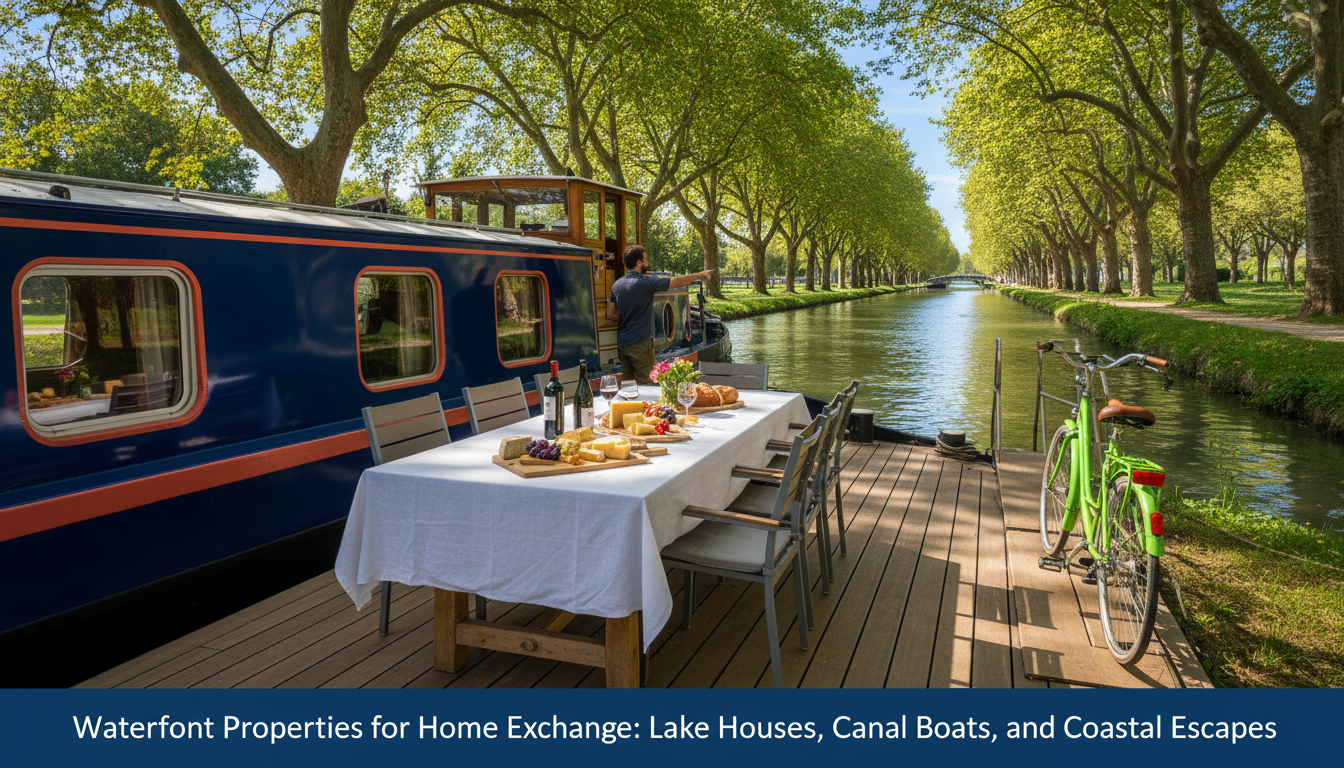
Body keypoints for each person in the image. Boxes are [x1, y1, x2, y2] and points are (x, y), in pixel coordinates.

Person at [606, 245, 714, 384]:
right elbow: (676, 282)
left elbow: (610, 314)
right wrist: (700, 275)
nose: (647, 262)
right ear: (639, 262)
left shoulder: (616, 285)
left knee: (628, 384)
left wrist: (626, 316)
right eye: (645, 259)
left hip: (622, 343)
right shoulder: (645, 282)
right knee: (647, 383)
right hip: (641, 342)